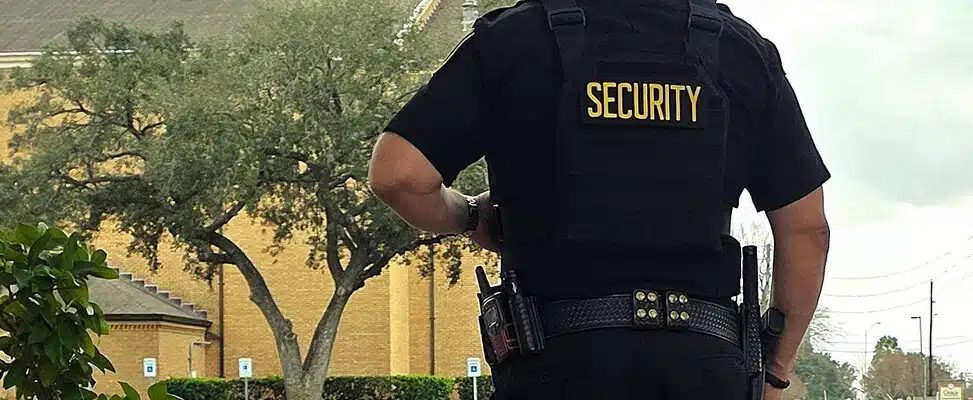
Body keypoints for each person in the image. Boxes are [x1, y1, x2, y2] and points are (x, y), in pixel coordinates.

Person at [368, 0, 830, 398]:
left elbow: (398, 175)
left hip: (552, 364)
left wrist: (470, 217)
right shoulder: (741, 51)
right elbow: (806, 230)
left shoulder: (513, 39)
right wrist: (777, 370)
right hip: (706, 365)